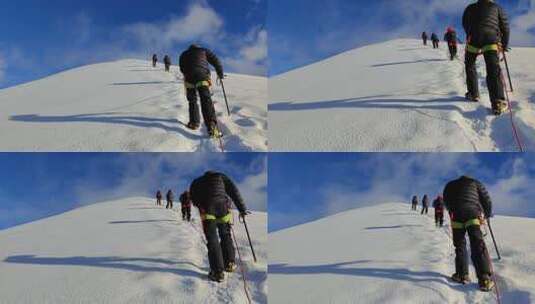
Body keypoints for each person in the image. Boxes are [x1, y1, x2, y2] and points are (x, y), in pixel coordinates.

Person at [189, 171, 248, 282]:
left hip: (207, 208)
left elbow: (192, 196)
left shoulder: (197, 181)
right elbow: (234, 192)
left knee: (212, 238)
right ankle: (229, 263)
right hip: (223, 208)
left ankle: (217, 272)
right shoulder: (221, 176)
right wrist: (242, 209)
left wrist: (200, 205)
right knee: (225, 234)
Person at [443, 175, 494, 291]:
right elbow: (486, 199)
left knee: (460, 245)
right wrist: (487, 214)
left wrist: (451, 209)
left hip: (456, 215)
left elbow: (445, 198)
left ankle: (462, 275)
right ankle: (484, 279)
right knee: (477, 243)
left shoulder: (450, 185)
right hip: (472, 213)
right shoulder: (475, 182)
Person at [462, 0, 510, 115]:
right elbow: (505, 27)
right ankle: (498, 102)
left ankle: (473, 93)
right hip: (491, 38)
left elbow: (464, 22)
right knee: (493, 68)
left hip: (473, 39)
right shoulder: (497, 7)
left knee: (469, 65)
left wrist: (469, 33)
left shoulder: (470, 7)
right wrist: (504, 44)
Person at [179, 44, 225, 138]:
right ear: (197, 47)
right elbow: (216, 61)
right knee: (205, 99)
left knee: (192, 101)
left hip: (189, 78)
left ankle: (194, 122)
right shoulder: (204, 50)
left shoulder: (184, 54)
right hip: (202, 76)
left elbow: (181, 67)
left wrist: (187, 73)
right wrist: (220, 73)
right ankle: (211, 126)